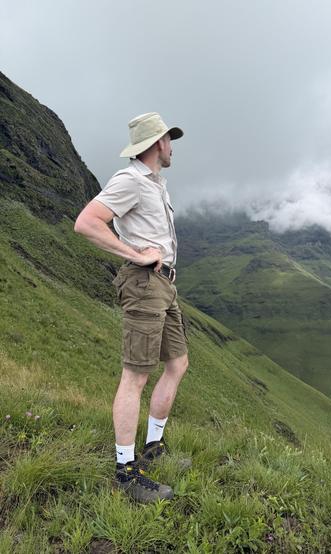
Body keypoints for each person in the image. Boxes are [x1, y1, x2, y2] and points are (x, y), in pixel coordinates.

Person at [74, 112, 189, 503]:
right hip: (144, 284)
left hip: (164, 285)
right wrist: (134, 255)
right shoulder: (130, 181)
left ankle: (153, 447)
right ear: (158, 143)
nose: (172, 147)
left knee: (177, 363)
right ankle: (126, 472)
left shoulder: (156, 184)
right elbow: (87, 222)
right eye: (170, 140)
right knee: (135, 376)